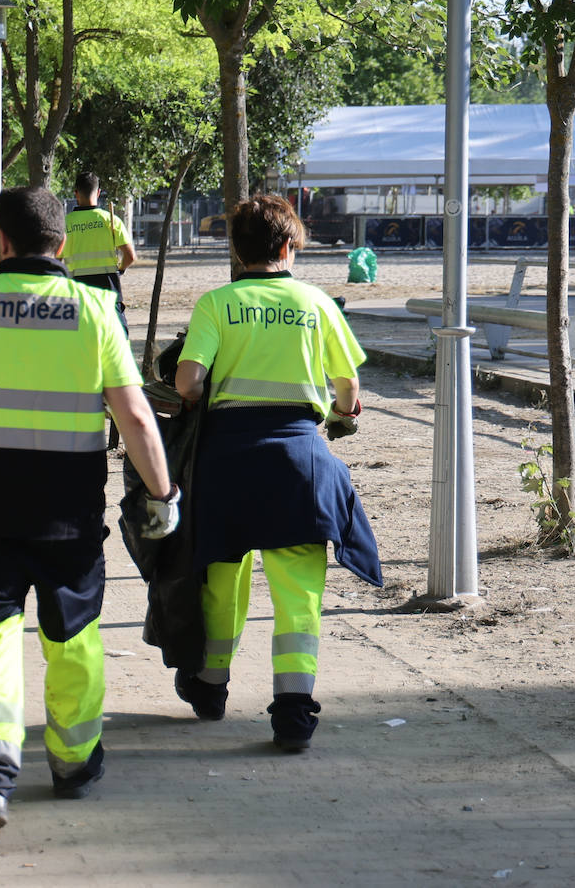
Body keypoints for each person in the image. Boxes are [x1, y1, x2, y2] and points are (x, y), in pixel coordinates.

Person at [0, 186, 180, 841]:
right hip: (69, 513)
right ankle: (74, 762)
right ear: (64, 245)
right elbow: (134, 416)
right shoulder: (95, 308)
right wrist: (162, 494)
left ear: (0, 242)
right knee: (73, 633)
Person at [173, 193, 382, 752]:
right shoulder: (317, 304)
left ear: (238, 253)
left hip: (226, 464)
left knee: (221, 585)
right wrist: (339, 417)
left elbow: (188, 382)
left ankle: (211, 687)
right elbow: (349, 389)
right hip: (299, 464)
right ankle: (293, 711)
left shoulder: (216, 304)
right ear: (289, 247)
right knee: (299, 596)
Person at [61, 172, 136, 333]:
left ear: (76, 193)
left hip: (77, 293)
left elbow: (56, 259)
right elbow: (130, 257)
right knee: (116, 341)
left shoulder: (65, 224)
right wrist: (120, 269)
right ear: (98, 192)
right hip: (108, 291)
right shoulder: (110, 219)